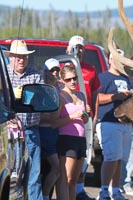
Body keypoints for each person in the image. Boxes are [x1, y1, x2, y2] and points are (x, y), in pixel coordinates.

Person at [4, 39, 44, 199]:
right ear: (11, 57)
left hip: (31, 131)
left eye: (24, 57)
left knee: (34, 175)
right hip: (8, 134)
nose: (21, 60)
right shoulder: (3, 75)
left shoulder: (35, 75)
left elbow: (40, 99)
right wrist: (8, 116)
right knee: (11, 176)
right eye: (18, 56)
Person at [96, 48, 133, 200]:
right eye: (116, 59)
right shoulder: (103, 77)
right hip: (109, 122)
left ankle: (116, 190)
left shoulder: (127, 79)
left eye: (121, 60)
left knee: (120, 159)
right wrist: (115, 96)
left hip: (125, 123)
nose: (118, 63)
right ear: (110, 60)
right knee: (111, 157)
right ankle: (104, 191)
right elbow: (96, 98)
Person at [66, 35, 100, 200]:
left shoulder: (91, 69)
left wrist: (95, 116)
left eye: (80, 48)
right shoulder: (63, 68)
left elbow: (95, 95)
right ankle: (67, 191)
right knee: (68, 159)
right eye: (74, 47)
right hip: (68, 120)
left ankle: (79, 190)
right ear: (68, 49)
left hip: (87, 119)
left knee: (85, 155)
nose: (78, 51)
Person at [51, 65, 89, 200]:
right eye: (68, 79)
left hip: (81, 139)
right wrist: (73, 116)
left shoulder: (81, 95)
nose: (72, 82)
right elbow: (54, 122)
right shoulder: (61, 96)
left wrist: (85, 118)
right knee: (66, 179)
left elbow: (84, 120)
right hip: (66, 139)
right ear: (62, 80)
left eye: (74, 78)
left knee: (74, 180)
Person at [39, 58, 61, 200]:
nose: (54, 73)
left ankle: (46, 195)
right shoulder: (40, 88)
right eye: (51, 70)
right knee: (55, 168)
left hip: (55, 133)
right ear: (45, 72)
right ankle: (44, 196)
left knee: (49, 169)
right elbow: (40, 116)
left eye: (56, 70)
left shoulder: (58, 88)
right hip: (43, 132)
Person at [120, 131, 133, 196]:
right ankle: (115, 186)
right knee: (115, 158)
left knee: (129, 157)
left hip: (130, 127)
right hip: (113, 125)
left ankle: (126, 183)